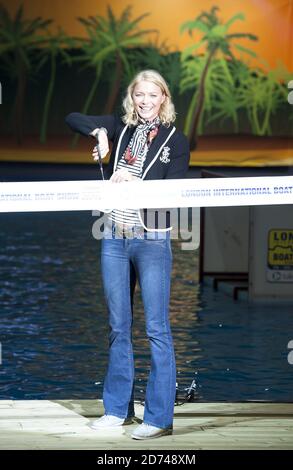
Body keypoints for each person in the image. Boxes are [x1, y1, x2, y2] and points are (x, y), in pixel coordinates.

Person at [66, 70, 190, 440]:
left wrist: (138, 183)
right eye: (140, 95)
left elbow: (175, 190)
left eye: (154, 95)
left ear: (164, 98)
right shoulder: (121, 128)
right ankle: (117, 409)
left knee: (156, 329)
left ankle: (158, 418)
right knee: (118, 326)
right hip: (113, 238)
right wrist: (99, 133)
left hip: (151, 239)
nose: (146, 101)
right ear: (132, 98)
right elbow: (73, 118)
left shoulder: (177, 140)